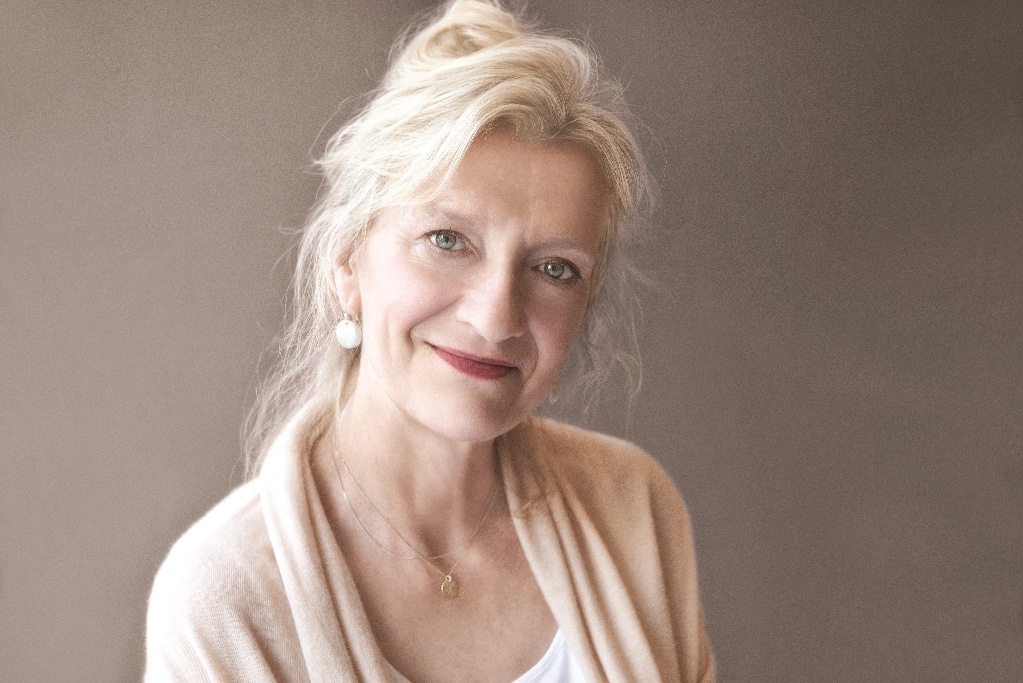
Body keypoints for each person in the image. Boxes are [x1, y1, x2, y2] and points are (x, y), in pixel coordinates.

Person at [144, 1, 715, 681]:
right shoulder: (223, 596)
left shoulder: (634, 509)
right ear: (348, 262)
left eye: (554, 269)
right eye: (448, 240)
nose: (497, 317)